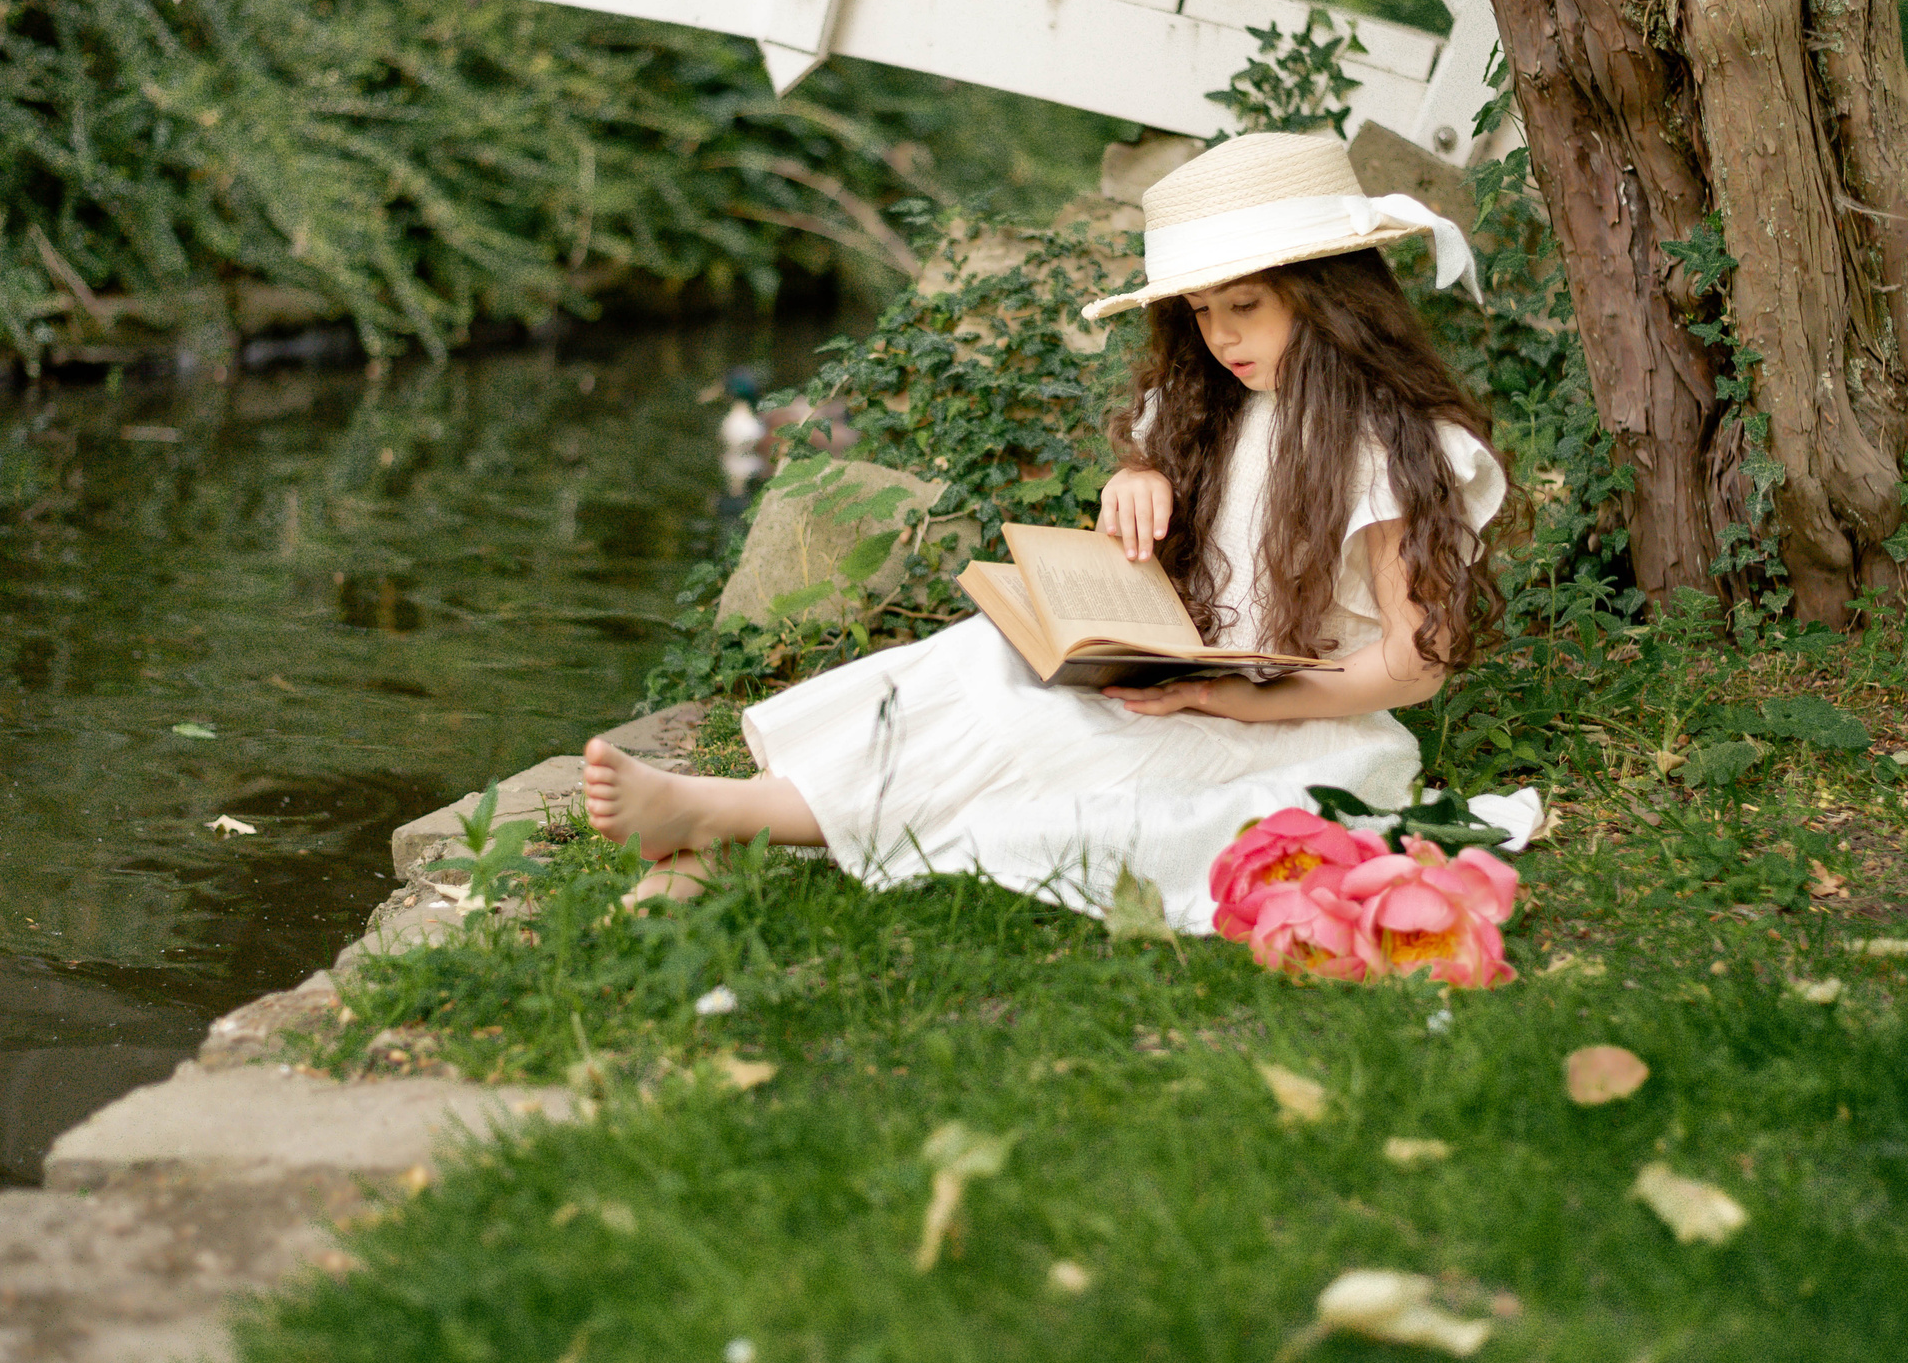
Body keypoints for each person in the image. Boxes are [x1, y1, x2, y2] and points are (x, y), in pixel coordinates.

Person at [585, 132, 1511, 931]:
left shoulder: (1392, 445)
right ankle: (727, 825)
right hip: (1178, 672)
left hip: (1296, 726)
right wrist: (1139, 479)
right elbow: (1186, 485)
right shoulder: (1223, 404)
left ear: (1329, 297)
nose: (1222, 339)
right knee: (982, 664)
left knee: (1048, 756)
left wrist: (1238, 701)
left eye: (1247, 307)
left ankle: (715, 819)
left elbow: (1416, 660)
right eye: (1201, 313)